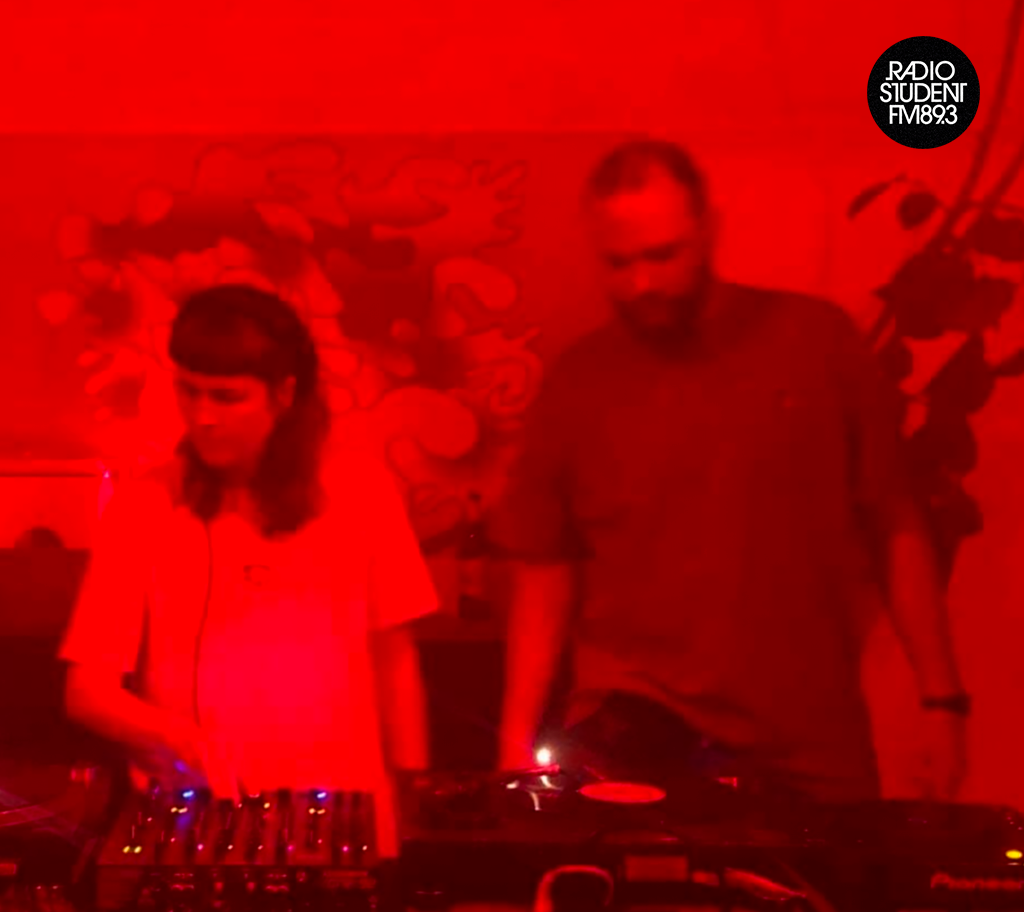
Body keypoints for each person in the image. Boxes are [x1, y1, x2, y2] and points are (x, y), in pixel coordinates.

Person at [491, 138, 968, 802]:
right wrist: (514, 743)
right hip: (631, 725)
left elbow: (896, 522)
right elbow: (545, 568)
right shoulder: (578, 383)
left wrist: (942, 701)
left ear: (708, 231)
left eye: (663, 255)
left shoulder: (816, 344)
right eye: (619, 263)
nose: (642, 284)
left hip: (807, 732)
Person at [61, 284, 436, 853]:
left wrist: (415, 807)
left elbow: (396, 664)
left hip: (344, 818)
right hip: (195, 818)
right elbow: (86, 691)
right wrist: (170, 734)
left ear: (284, 393)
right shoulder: (144, 505)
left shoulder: (363, 492)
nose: (202, 417)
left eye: (226, 397)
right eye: (188, 391)